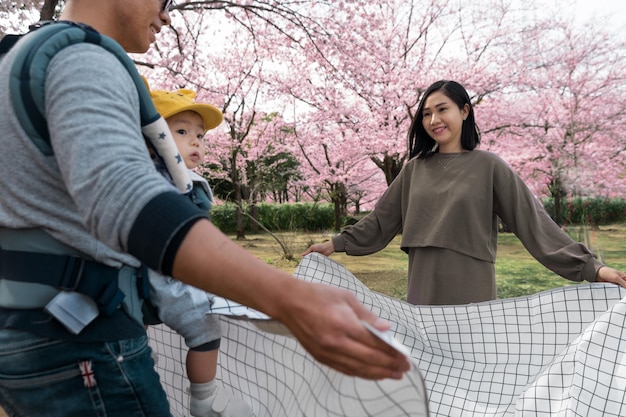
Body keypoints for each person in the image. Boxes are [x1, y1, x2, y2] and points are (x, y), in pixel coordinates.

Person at [0, 1, 409, 416]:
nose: (166, 16)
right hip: (82, 343)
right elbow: (124, 197)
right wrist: (290, 298)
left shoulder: (22, 57)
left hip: (26, 334)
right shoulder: (82, 59)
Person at [304, 80, 626, 306]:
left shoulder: (489, 166)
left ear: (465, 111)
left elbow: (535, 224)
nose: (433, 120)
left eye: (442, 109)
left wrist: (592, 268)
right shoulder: (414, 168)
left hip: (471, 285)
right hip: (423, 285)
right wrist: (333, 245)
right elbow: (380, 221)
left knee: (475, 379)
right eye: (426, 114)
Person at [146, 84, 252, 417]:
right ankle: (204, 397)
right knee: (205, 327)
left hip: (162, 274)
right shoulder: (156, 180)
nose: (195, 141)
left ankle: (145, 359)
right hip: (164, 276)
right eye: (181, 131)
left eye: (200, 135)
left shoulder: (183, 179)